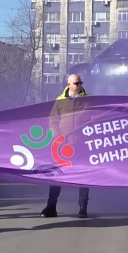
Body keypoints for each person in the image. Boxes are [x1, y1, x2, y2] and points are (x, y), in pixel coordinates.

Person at [40, 74, 90, 219]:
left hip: (81, 145)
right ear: (69, 84)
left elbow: (94, 119)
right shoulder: (60, 102)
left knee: (83, 177)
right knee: (57, 176)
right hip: (62, 146)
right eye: (76, 83)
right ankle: (51, 207)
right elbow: (53, 121)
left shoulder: (88, 101)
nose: (79, 85)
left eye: (81, 83)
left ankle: (83, 207)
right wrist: (58, 137)